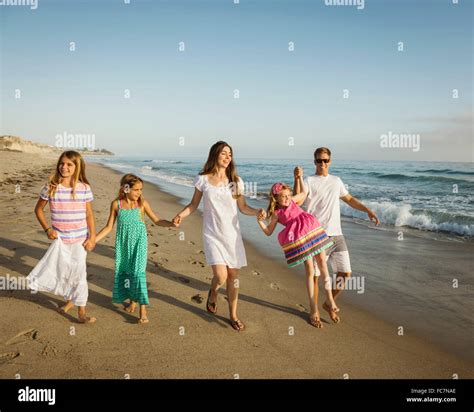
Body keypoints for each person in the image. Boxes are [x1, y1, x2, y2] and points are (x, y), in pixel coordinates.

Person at [172, 141, 266, 331]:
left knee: (233, 276)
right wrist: (180, 215)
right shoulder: (203, 179)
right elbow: (193, 205)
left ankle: (233, 315)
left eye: (230, 154)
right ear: (215, 155)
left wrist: (257, 212)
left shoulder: (235, 181)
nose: (227, 156)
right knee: (221, 276)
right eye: (224, 153)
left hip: (232, 236)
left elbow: (243, 207)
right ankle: (214, 291)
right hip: (212, 234)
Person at [294, 147, 380, 323]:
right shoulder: (308, 180)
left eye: (325, 160)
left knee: (345, 273)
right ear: (315, 162)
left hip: (337, 236)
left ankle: (328, 302)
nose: (323, 164)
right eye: (319, 161)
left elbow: (349, 199)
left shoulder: (336, 181)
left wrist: (368, 210)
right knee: (316, 276)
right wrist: (296, 178)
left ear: (330, 161)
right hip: (316, 236)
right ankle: (314, 311)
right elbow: (300, 200)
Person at [95, 174, 177, 324]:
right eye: (136, 190)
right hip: (123, 245)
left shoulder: (142, 205)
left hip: (139, 245)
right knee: (126, 273)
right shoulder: (116, 205)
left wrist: (171, 224)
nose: (140, 193)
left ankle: (143, 311)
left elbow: (157, 221)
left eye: (141, 189)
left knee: (138, 274)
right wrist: (93, 240)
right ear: (126, 188)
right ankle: (132, 300)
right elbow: (108, 227)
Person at [257, 181, 338, 328]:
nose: (287, 198)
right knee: (310, 270)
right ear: (275, 198)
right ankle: (313, 309)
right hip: (300, 238)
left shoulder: (293, 201)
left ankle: (330, 300)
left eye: (288, 195)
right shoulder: (276, 213)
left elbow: (303, 193)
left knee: (323, 265)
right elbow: (268, 232)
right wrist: (260, 222)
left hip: (312, 230)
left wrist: (299, 178)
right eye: (283, 196)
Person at [28, 150, 97, 323]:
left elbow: (89, 214)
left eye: (69, 164)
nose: (64, 167)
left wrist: (93, 236)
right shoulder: (51, 186)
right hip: (60, 240)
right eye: (62, 163)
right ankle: (70, 300)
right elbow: (38, 210)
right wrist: (47, 229)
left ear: (77, 167)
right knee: (64, 270)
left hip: (80, 239)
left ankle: (81, 312)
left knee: (79, 272)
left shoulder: (84, 188)